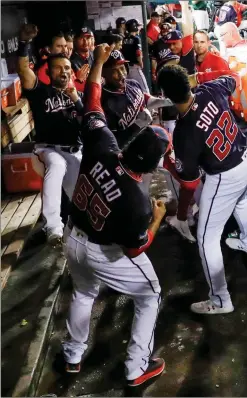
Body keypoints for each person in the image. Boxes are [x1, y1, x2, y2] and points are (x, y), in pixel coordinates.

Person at [62, 43, 169, 386]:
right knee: (150, 293)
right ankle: (136, 368)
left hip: (72, 235)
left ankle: (73, 355)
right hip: (101, 250)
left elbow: (91, 98)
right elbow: (136, 249)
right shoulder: (137, 204)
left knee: (83, 293)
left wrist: (97, 62)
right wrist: (157, 219)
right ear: (152, 165)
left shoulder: (103, 143)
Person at [157, 64, 247, 314]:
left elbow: (189, 178)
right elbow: (234, 79)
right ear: (189, 82)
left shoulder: (183, 132)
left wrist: (167, 160)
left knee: (206, 239)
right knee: (241, 202)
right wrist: (198, 78)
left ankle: (221, 300)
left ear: (168, 97)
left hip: (227, 175)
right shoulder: (209, 89)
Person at [17, 24, 83, 244]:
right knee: (57, 165)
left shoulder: (74, 95)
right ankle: (53, 227)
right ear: (49, 72)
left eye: (67, 68)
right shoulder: (40, 91)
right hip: (47, 149)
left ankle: (79, 228)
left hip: (74, 150)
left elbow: (89, 120)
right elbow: (24, 71)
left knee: (78, 194)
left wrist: (75, 98)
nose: (64, 71)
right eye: (58, 68)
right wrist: (24, 43)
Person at [99, 50, 172, 149]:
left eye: (122, 68)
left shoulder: (132, 84)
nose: (121, 74)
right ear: (104, 74)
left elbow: (145, 100)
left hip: (147, 140)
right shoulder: (105, 103)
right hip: (131, 154)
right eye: (115, 71)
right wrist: (137, 125)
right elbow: (113, 143)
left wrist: (166, 101)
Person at [122, 19, 149, 93]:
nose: (139, 28)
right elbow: (138, 52)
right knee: (145, 91)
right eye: (137, 26)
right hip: (134, 67)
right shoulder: (136, 38)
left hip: (125, 68)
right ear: (134, 27)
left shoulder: (124, 39)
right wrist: (141, 62)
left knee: (132, 91)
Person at [71, 24, 94, 92]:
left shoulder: (96, 55)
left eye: (88, 38)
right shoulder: (70, 60)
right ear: (74, 40)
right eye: (81, 38)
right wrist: (78, 80)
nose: (85, 42)